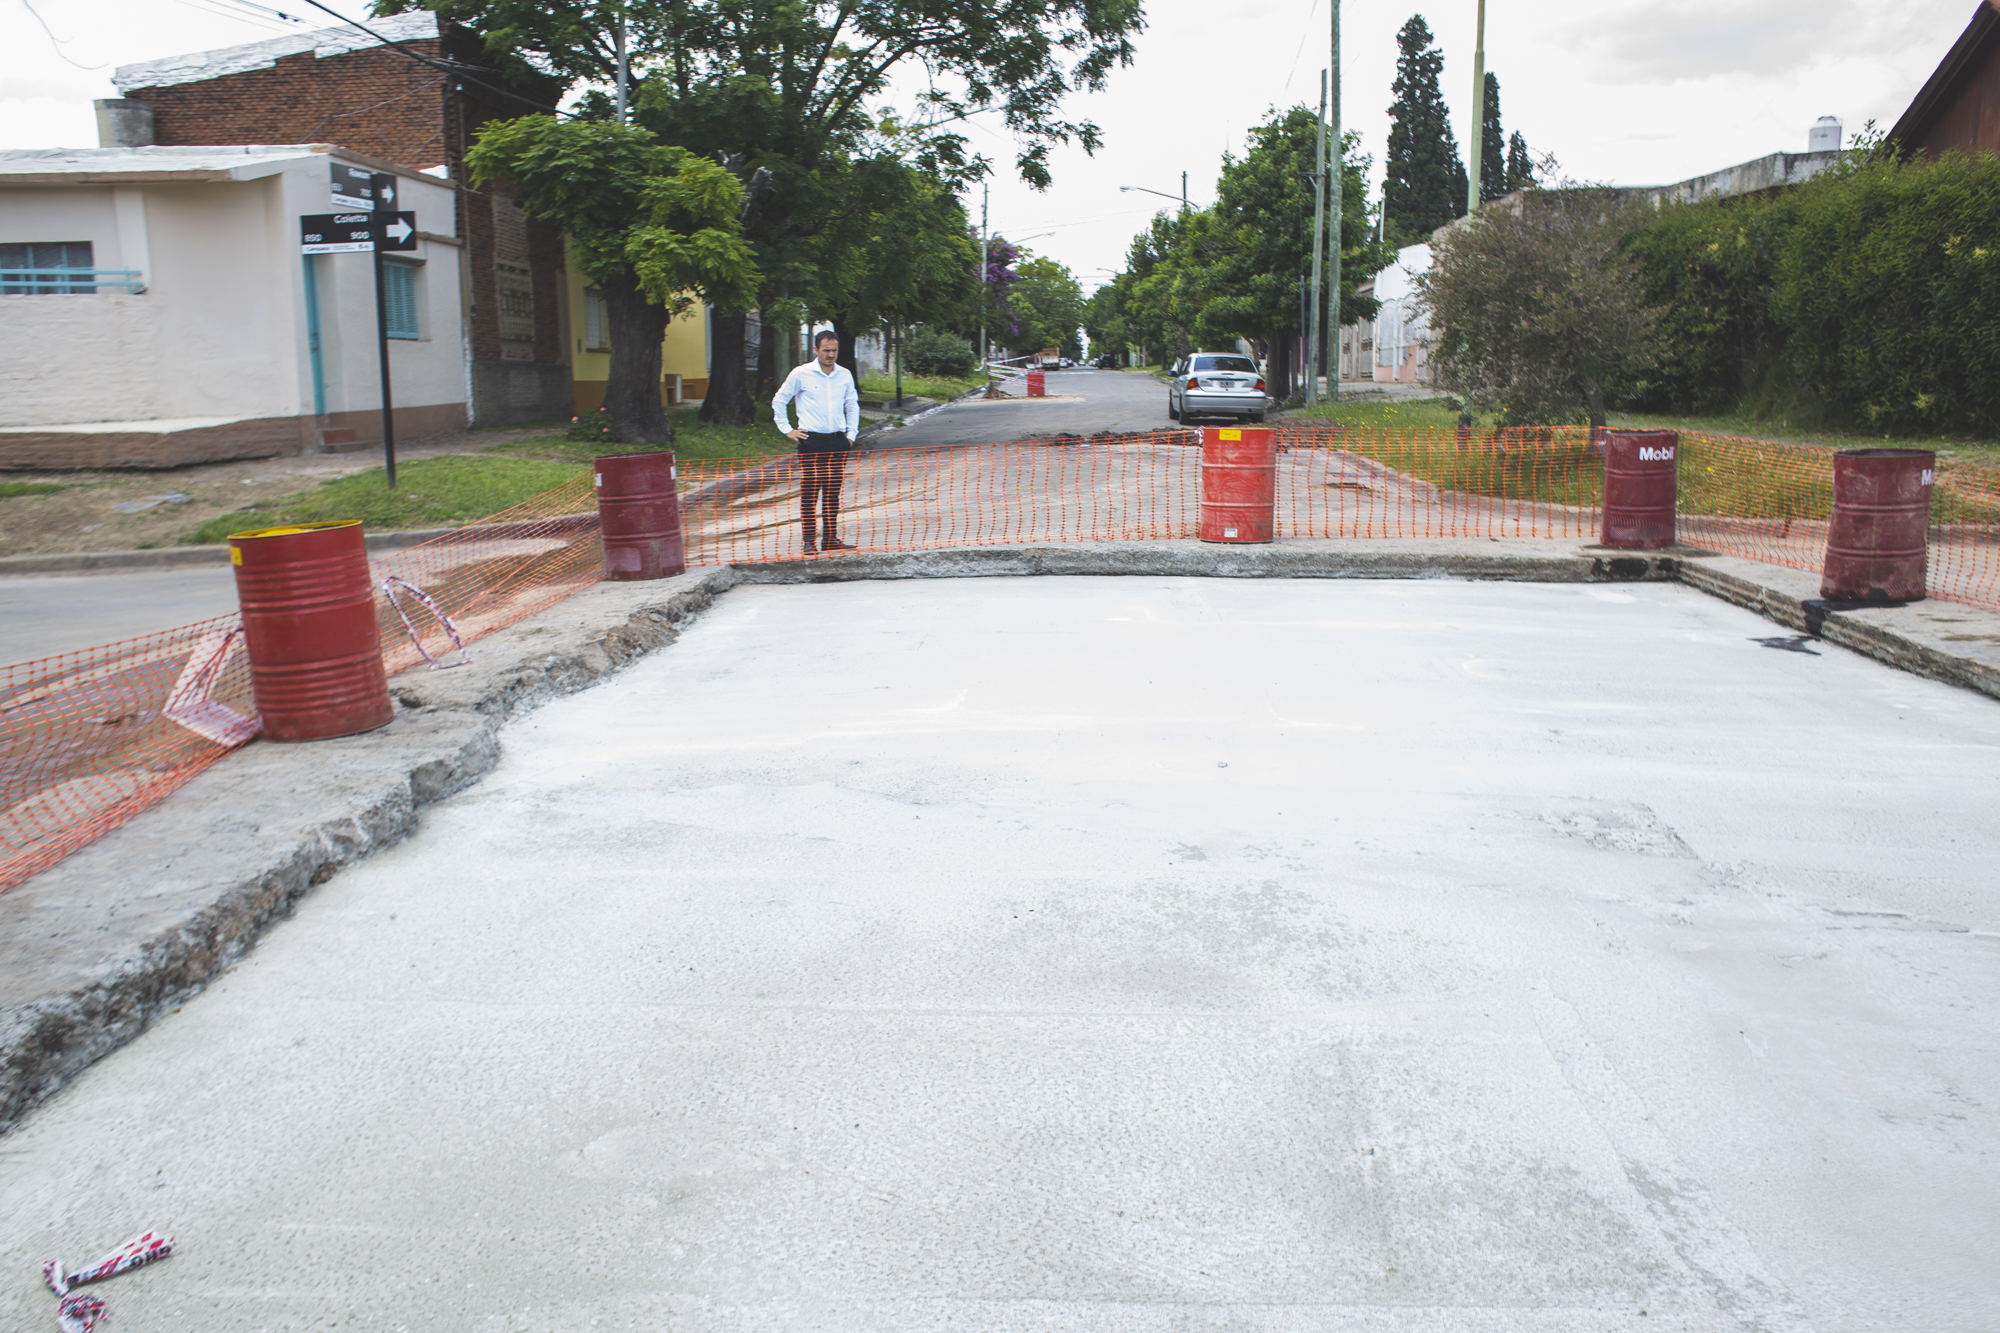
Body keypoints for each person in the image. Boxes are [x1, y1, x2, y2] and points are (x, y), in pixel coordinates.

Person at [771, 329, 860, 554]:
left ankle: (829, 538)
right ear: (815, 350)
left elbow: (852, 405)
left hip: (838, 441)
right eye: (826, 350)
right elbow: (779, 401)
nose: (831, 354)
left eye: (834, 350)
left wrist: (851, 436)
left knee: (832, 492)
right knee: (810, 492)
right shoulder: (801, 374)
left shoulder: (844, 375)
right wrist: (787, 430)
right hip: (812, 442)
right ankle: (809, 540)